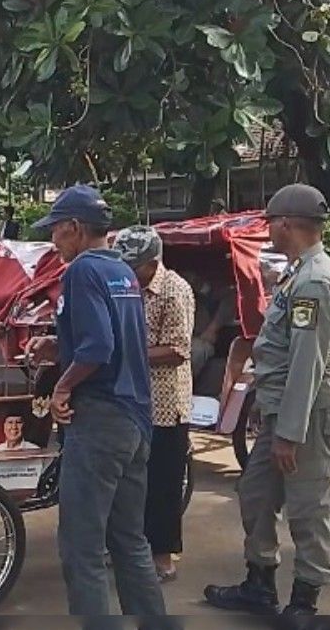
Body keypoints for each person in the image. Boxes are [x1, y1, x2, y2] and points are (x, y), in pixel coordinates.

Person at [205, 184, 330, 618]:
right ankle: (259, 583)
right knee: (256, 495)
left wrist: (288, 433)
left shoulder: (314, 281)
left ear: (286, 223)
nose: (266, 228)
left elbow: (308, 363)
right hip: (280, 413)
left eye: (270, 221)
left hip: (307, 416)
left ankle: (304, 602)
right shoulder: (297, 273)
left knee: (309, 507)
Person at [23, 185, 166, 617]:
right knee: (129, 541)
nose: (53, 240)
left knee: (81, 549)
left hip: (100, 421)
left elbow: (99, 349)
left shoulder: (82, 271)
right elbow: (115, 342)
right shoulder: (121, 271)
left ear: (75, 227)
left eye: (56, 231)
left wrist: (62, 387)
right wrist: (58, 346)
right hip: (135, 421)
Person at [113, 225, 196, 583]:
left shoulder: (174, 290)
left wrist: (125, 355)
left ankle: (163, 558)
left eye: (134, 265)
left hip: (165, 403)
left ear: (152, 261)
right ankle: (130, 550)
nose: (128, 271)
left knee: (163, 484)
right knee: (131, 483)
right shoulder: (125, 287)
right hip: (131, 400)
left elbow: (177, 350)